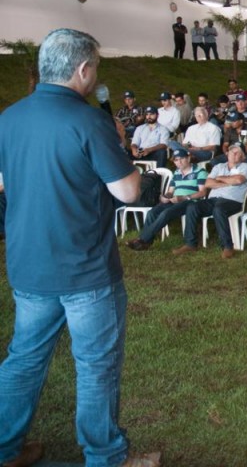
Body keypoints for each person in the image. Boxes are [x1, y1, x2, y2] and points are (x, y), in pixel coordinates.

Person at [0, 28, 160, 467]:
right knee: (95, 366)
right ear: (83, 70)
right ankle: (108, 457)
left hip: (29, 265)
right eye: (97, 68)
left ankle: (4, 449)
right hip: (85, 269)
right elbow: (128, 191)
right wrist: (120, 148)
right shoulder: (90, 121)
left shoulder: (8, 118)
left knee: (24, 361)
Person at [176, 143, 247, 259]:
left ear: (243, 157)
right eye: (232, 151)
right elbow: (207, 183)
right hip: (213, 199)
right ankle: (190, 244)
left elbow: (238, 180)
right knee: (192, 207)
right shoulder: (218, 167)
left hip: (233, 201)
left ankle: (227, 247)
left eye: (238, 153)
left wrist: (219, 179)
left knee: (219, 209)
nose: (234, 154)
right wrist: (227, 182)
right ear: (227, 153)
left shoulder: (245, 167)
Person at [126, 149, 208, 251]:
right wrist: (165, 196)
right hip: (175, 200)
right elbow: (170, 191)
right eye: (176, 160)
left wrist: (184, 197)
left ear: (188, 158)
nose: (179, 162)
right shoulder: (177, 173)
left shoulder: (200, 172)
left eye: (182, 159)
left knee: (166, 213)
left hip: (190, 201)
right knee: (152, 212)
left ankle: (142, 239)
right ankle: (146, 242)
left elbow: (202, 193)